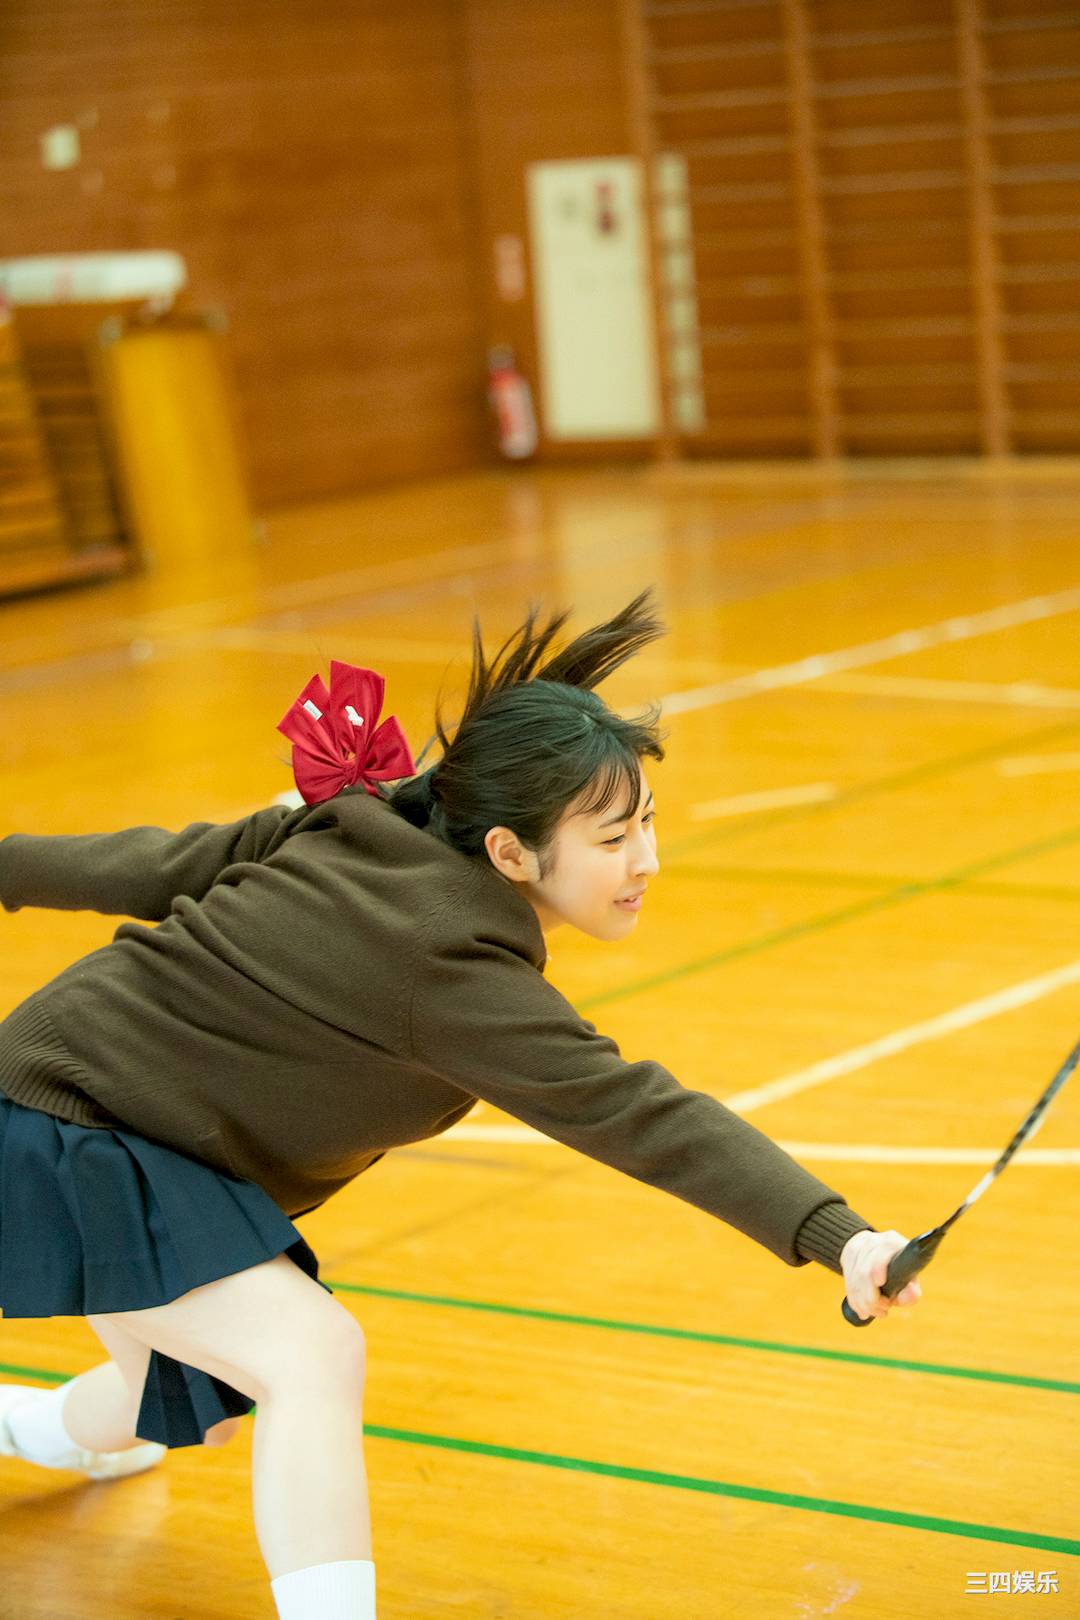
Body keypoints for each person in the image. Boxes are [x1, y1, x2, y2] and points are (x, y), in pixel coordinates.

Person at [0, 588, 920, 1620]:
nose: (647, 861)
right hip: (63, 1127)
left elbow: (151, 863)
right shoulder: (450, 972)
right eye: (614, 839)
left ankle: (26, 1428)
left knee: (203, 1398)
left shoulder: (367, 823)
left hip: (135, 1132)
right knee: (308, 1352)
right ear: (509, 853)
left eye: (648, 824)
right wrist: (834, 1236)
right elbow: (646, 1115)